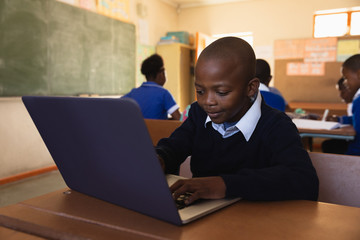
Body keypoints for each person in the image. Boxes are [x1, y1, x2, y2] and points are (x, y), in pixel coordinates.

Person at [155, 37, 319, 206]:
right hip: (199, 214)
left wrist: (225, 184)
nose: (208, 101)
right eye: (200, 91)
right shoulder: (199, 113)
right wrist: (161, 158)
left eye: (222, 92)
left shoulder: (276, 125)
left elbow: (305, 181)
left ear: (250, 88)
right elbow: (175, 145)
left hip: (253, 220)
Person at [122, 54, 181, 120]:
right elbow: (179, 119)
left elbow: (115, 106)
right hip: (157, 130)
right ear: (161, 73)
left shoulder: (133, 93)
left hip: (137, 130)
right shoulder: (164, 94)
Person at [322, 54, 360, 155]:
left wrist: (348, 158)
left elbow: (358, 143)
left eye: (346, 78)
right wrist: (339, 119)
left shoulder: (358, 101)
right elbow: (355, 119)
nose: (345, 83)